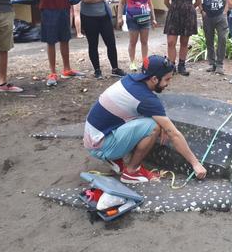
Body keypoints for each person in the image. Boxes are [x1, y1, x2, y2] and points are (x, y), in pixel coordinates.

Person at [83, 55, 207, 184]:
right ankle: (131, 172)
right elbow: (173, 133)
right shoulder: (146, 99)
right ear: (154, 79)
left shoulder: (130, 80)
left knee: (154, 121)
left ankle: (115, 158)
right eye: (167, 79)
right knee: (153, 126)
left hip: (94, 137)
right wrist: (195, 163)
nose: (168, 84)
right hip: (100, 146)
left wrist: (162, 121)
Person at [76, 0, 126, 79]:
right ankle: (97, 70)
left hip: (104, 16)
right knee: (93, 44)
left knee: (111, 43)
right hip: (89, 18)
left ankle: (115, 68)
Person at [163, 0, 202, 76]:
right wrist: (175, 10)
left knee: (184, 42)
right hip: (173, 16)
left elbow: (198, 1)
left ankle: (181, 65)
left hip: (188, 17)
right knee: (171, 42)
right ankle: (171, 66)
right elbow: (166, 1)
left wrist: (189, 9)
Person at [118, 0, 157, 71]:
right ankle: (132, 62)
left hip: (145, 19)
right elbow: (121, 3)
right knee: (133, 42)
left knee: (144, 41)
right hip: (132, 19)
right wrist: (119, 18)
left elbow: (150, 4)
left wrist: (154, 18)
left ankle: (145, 62)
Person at [197, 0, 230, 75]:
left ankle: (220, 64)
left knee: (222, 38)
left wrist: (226, 10)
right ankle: (212, 64)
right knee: (209, 40)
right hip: (208, 15)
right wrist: (201, 10)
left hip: (221, 14)